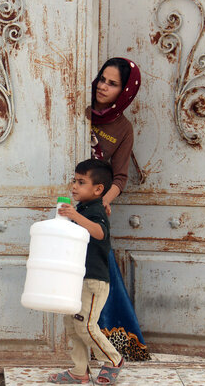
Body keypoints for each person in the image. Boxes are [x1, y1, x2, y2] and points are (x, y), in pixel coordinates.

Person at [90, 57, 150, 362]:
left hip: (91, 207)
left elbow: (120, 176)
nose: (103, 86)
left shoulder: (122, 128)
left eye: (112, 84)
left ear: (125, 91)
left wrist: (103, 202)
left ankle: (111, 343)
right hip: (63, 200)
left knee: (100, 273)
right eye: (102, 79)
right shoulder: (78, 107)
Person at [48, 159, 123, 385]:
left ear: (98, 189)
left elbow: (99, 232)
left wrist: (75, 216)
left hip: (94, 281)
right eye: (74, 181)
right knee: (73, 326)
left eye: (81, 182)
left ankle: (113, 359)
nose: (74, 186)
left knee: (86, 325)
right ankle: (79, 371)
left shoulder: (96, 210)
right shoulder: (83, 208)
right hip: (78, 278)